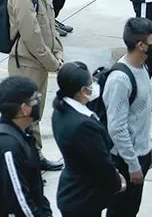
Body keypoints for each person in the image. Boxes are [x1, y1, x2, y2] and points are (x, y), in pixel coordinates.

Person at [6, 0, 64, 169]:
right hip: (28, 62)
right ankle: (30, 159)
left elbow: (50, 24)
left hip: (40, 61)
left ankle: (34, 156)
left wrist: (57, 52)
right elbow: (32, 35)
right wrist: (52, 61)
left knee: (34, 112)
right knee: (26, 114)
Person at [51, 62, 126, 217]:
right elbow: (101, 162)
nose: (94, 85)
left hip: (75, 193)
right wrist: (117, 182)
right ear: (83, 91)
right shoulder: (83, 125)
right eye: (91, 82)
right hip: (83, 196)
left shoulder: (62, 110)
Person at [0, 76, 53, 216]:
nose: (39, 101)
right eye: (35, 99)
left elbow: (35, 187)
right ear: (24, 109)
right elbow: (20, 200)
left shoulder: (22, 132)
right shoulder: (7, 146)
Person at [104, 17, 152, 216]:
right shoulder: (120, 80)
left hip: (139, 154)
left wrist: (147, 146)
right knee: (120, 211)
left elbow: (140, 114)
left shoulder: (142, 68)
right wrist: (133, 164)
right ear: (140, 45)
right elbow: (117, 128)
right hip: (125, 160)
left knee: (131, 211)